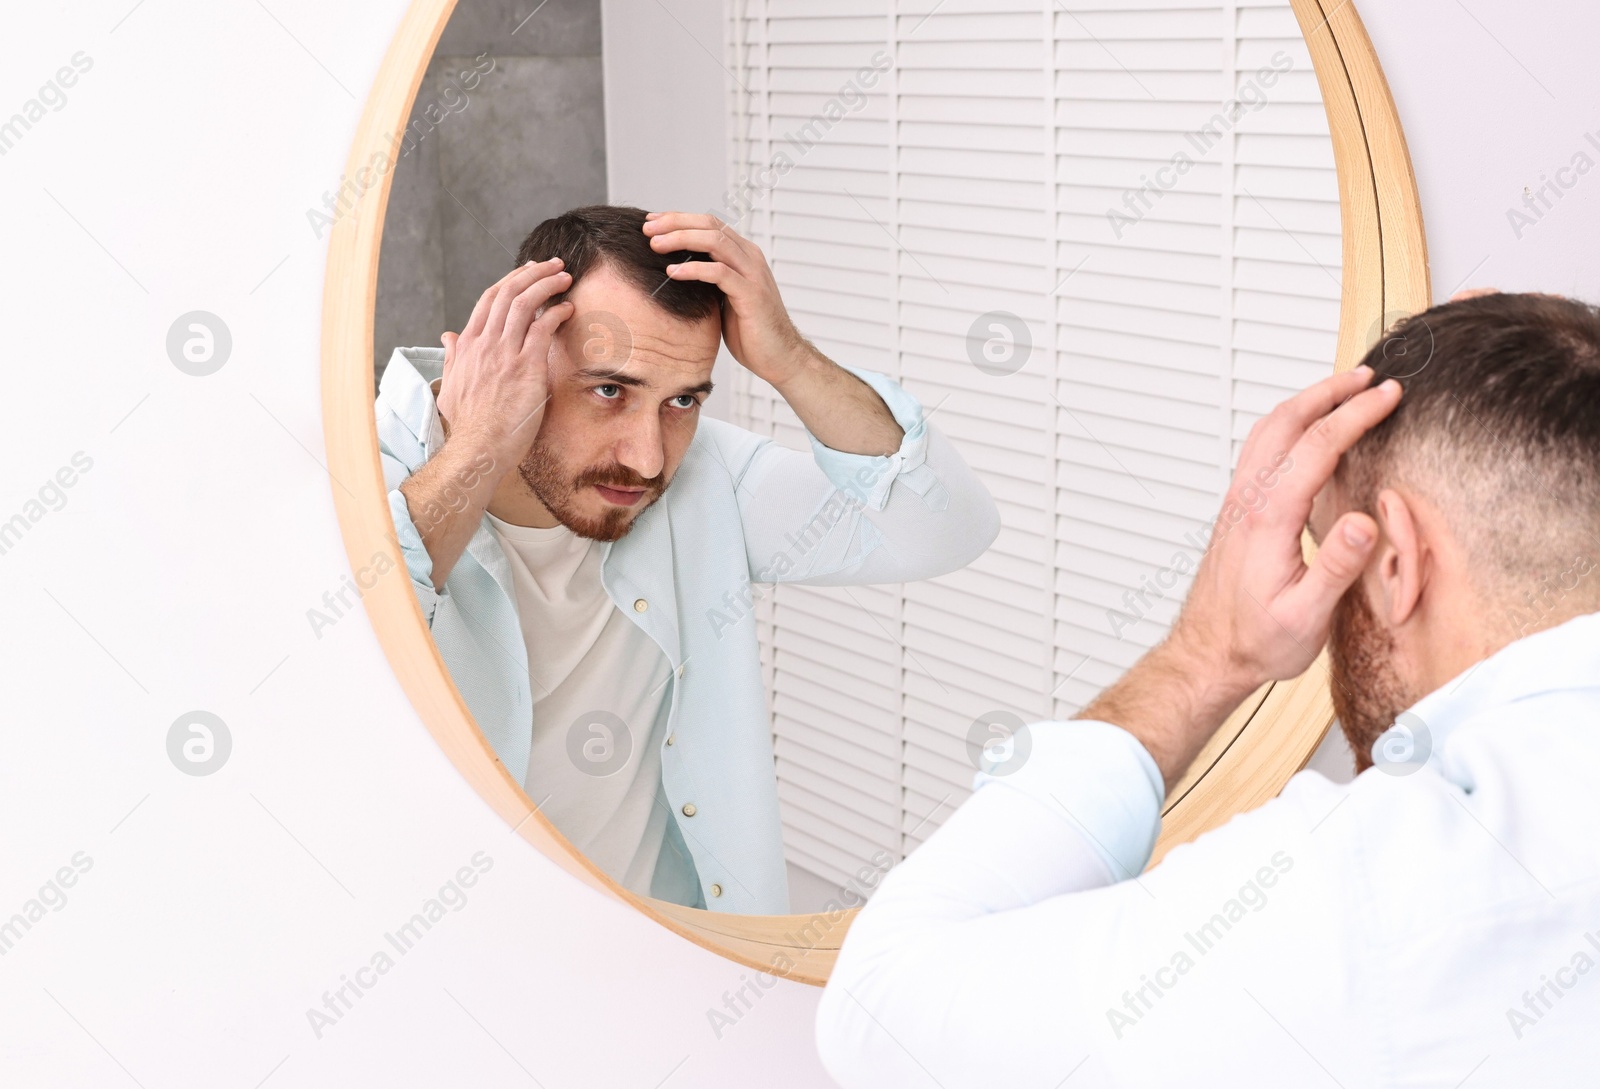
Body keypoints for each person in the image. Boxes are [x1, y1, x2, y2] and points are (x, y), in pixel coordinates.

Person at [816, 291, 1600, 1087]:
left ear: (1394, 560)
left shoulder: (1363, 896)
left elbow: (880, 1015)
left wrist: (1206, 653)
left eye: (1328, 544)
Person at [375, 205, 999, 915]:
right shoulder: (360, 479)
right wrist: (482, 444)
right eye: (609, 390)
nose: (646, 457)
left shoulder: (704, 479)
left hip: (668, 970)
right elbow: (346, 674)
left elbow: (942, 525)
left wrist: (789, 357)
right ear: (517, 348)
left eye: (682, 401)